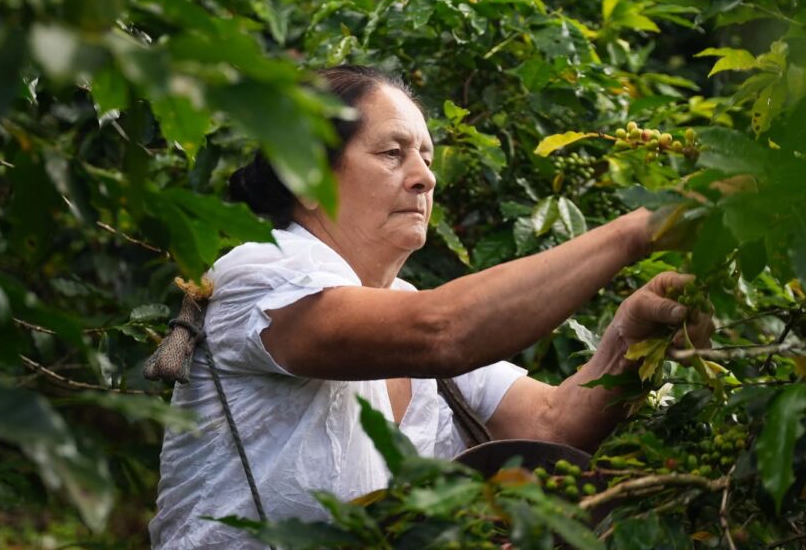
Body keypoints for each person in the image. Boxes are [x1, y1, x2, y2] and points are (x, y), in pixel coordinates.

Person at [148, 65, 712, 548]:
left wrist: (630, 339)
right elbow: (443, 332)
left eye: (426, 155)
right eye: (393, 154)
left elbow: (552, 426)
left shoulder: (404, 305)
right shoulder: (264, 272)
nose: (425, 177)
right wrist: (638, 232)